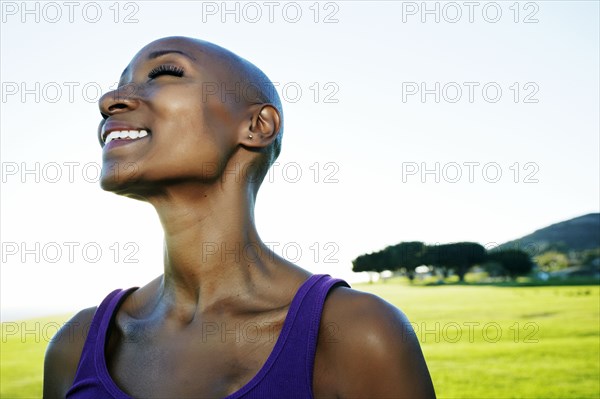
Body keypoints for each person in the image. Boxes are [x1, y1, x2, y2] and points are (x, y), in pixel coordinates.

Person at [43, 36, 436, 399]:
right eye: (120, 82)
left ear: (257, 126)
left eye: (165, 73)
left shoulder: (357, 333)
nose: (110, 99)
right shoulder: (74, 345)